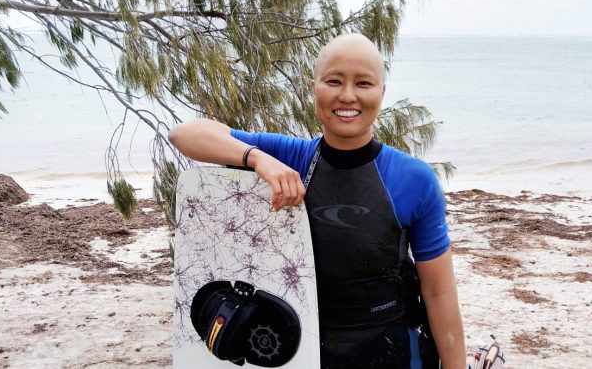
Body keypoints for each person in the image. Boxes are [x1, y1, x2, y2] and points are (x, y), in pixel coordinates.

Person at [169, 33, 466, 369]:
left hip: (390, 348)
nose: (348, 95)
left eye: (364, 83)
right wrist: (257, 159)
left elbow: (439, 293)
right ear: (314, 88)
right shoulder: (290, 156)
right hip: (300, 349)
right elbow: (185, 134)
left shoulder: (413, 178)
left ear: (381, 92)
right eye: (334, 81)